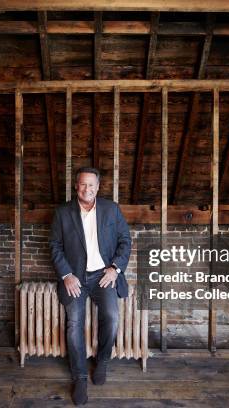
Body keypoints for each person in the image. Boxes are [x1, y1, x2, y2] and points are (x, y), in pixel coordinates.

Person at [49, 167, 132, 405]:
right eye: (83, 184)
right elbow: (54, 246)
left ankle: (103, 361)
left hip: (103, 276)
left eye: (92, 185)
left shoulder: (111, 209)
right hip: (74, 278)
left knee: (112, 316)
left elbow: (125, 241)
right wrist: (66, 275)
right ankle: (80, 377)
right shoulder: (63, 212)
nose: (87, 189)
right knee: (74, 322)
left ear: (98, 186)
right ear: (76, 186)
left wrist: (115, 269)